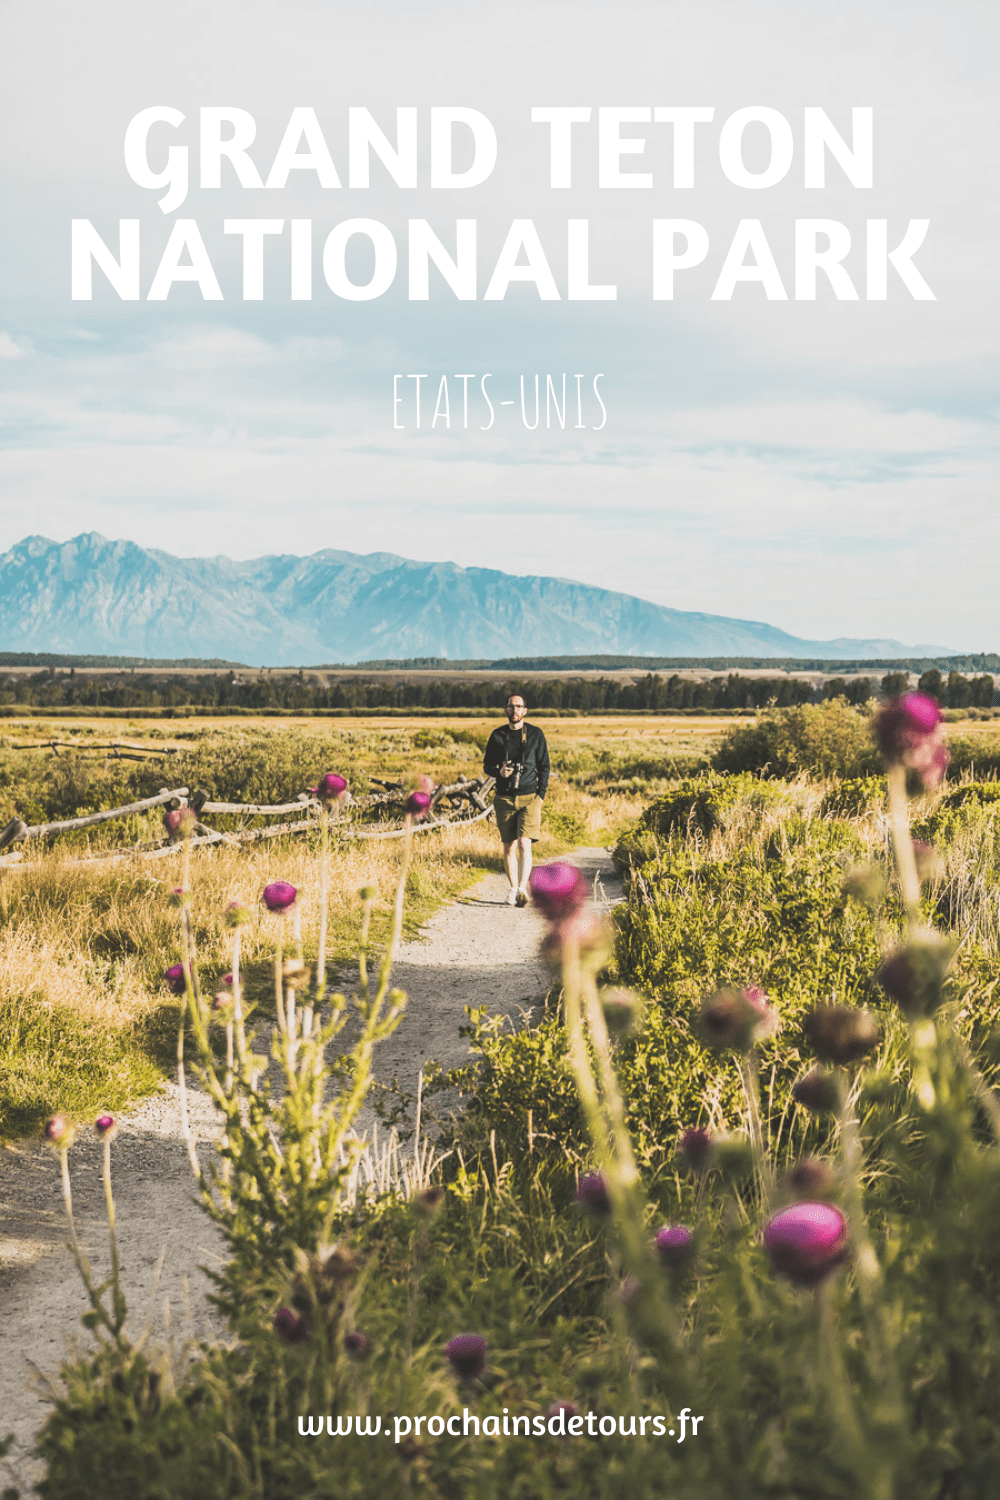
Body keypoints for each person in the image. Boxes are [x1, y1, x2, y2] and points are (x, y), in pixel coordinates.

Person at [483, 694, 550, 906]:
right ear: (506, 710)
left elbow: (545, 766)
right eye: (511, 706)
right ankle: (513, 888)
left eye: (519, 706)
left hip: (530, 797)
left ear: (525, 710)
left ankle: (523, 888)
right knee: (509, 847)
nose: (515, 710)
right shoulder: (497, 736)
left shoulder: (536, 735)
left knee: (524, 842)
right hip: (504, 798)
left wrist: (541, 795)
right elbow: (486, 765)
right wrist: (499, 771)